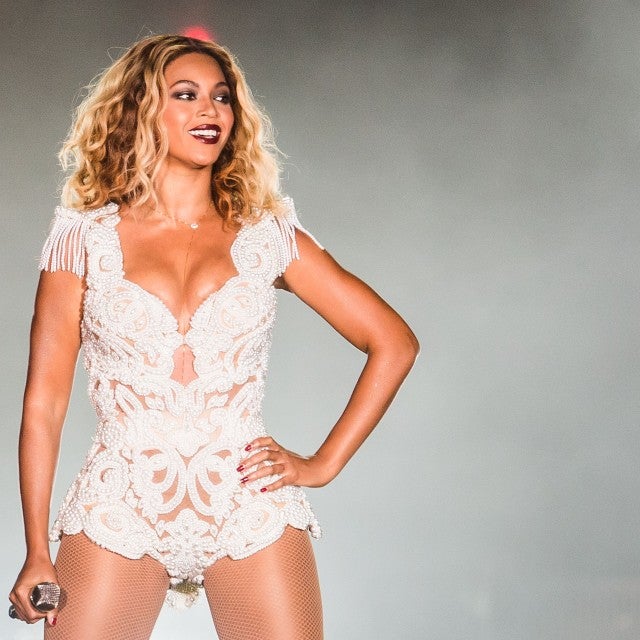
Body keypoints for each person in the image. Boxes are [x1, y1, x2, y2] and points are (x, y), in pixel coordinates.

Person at [8, 34, 419, 640]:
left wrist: (322, 464)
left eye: (222, 97)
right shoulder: (81, 239)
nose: (210, 111)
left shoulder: (267, 235)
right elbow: (43, 405)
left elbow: (393, 341)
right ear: (142, 110)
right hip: (121, 505)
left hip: (247, 506)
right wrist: (36, 549)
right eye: (186, 94)